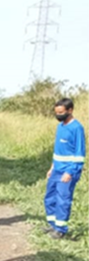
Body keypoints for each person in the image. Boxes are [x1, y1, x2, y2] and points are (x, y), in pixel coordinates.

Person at [44, 98, 85, 239]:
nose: (58, 115)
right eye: (56, 112)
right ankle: (52, 224)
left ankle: (60, 229)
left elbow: (79, 154)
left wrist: (70, 172)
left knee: (63, 200)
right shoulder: (60, 126)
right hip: (56, 169)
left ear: (70, 110)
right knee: (50, 197)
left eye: (61, 112)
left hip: (68, 171)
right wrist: (52, 167)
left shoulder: (76, 128)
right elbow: (57, 150)